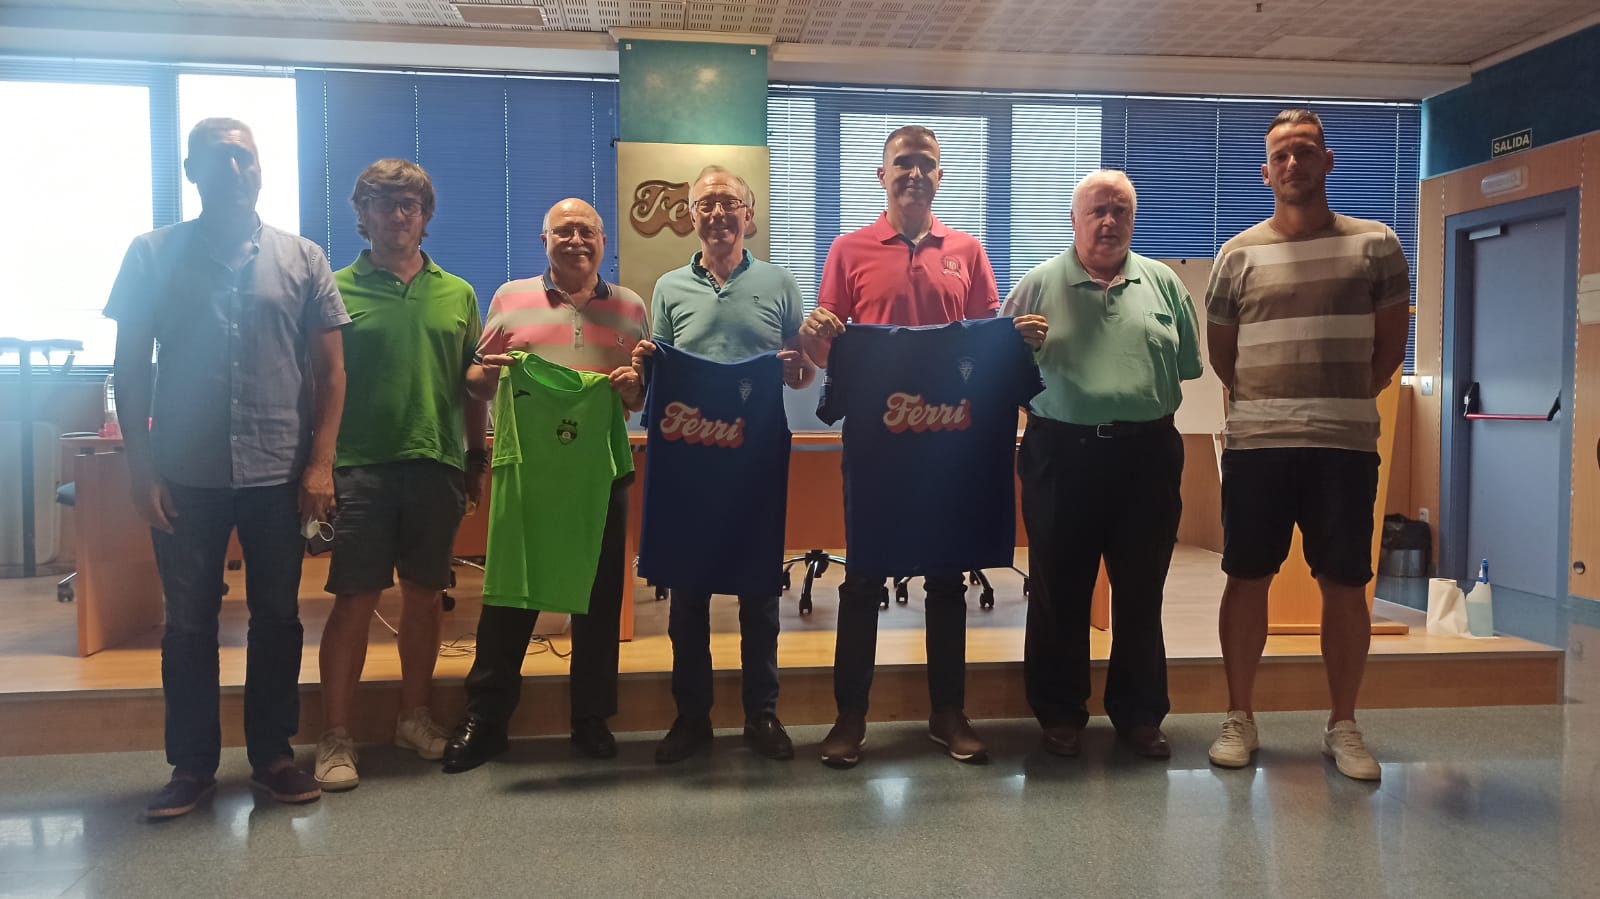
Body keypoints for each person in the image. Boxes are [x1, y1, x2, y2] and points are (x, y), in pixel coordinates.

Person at [107, 117, 348, 818]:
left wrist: (321, 465)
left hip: (279, 474)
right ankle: (191, 767)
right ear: (191, 171)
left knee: (277, 617)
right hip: (185, 473)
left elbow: (332, 373)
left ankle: (273, 755)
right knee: (187, 623)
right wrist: (140, 469)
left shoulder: (303, 257)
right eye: (218, 159)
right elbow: (130, 368)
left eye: (244, 158)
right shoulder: (151, 254)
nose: (234, 170)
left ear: (261, 169)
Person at [798, 125, 1045, 768]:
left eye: (926, 164)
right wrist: (816, 330)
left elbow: (987, 339)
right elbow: (827, 353)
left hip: (947, 446)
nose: (914, 173)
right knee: (862, 581)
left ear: (940, 176)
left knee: (946, 579)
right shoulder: (848, 250)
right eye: (902, 163)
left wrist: (1017, 339)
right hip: (877, 445)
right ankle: (850, 718)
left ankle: (948, 714)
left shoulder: (967, 250)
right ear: (881, 175)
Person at [1204, 108, 1411, 781]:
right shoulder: (1236, 255)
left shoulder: (1377, 245)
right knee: (1246, 579)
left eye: (1305, 151)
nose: (1293, 164)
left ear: (1327, 161)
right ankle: (1239, 716)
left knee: (1345, 584)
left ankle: (1343, 724)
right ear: (1266, 173)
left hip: (1343, 446)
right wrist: (1272, 402)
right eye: (1281, 155)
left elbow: (1388, 351)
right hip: (1257, 445)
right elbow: (1224, 355)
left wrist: (1333, 399)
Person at [1002, 169, 1201, 760]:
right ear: (1074, 220)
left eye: (1120, 211)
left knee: (1142, 588)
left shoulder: (1164, 284)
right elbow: (999, 374)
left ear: (1134, 219)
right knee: (1059, 588)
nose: (1109, 221)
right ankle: (1060, 714)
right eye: (1097, 211)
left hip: (1148, 455)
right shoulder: (1036, 286)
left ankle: (1139, 715)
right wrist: (1019, 353)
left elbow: (1187, 366)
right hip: (1061, 453)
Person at [442, 198, 647, 771]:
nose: (576, 239)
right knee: (511, 590)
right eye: (564, 231)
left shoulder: (631, 307)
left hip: (600, 467)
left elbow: (636, 399)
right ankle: (486, 717)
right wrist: (488, 370)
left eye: (587, 231)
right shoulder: (510, 298)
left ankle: (591, 716)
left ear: (603, 240)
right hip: (528, 466)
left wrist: (631, 387)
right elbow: (477, 381)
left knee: (600, 596)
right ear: (545, 241)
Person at [631, 165, 816, 764]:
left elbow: (800, 370)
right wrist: (643, 362)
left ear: (749, 215)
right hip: (690, 457)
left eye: (728, 203)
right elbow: (660, 371)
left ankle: (762, 713)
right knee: (687, 591)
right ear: (691, 216)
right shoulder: (667, 288)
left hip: (757, 454)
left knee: (759, 591)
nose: (717, 213)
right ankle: (692, 718)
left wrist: (799, 369)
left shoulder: (780, 283)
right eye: (705, 204)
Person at [313, 159, 486, 790]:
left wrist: (475, 457)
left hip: (436, 465)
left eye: (410, 204)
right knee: (355, 601)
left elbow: (473, 386)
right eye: (383, 203)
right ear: (363, 215)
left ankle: (414, 718)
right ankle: (336, 735)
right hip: (360, 467)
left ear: (425, 215)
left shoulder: (458, 293)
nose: (397, 214)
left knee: (425, 598)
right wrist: (319, 466)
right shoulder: (334, 289)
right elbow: (320, 384)